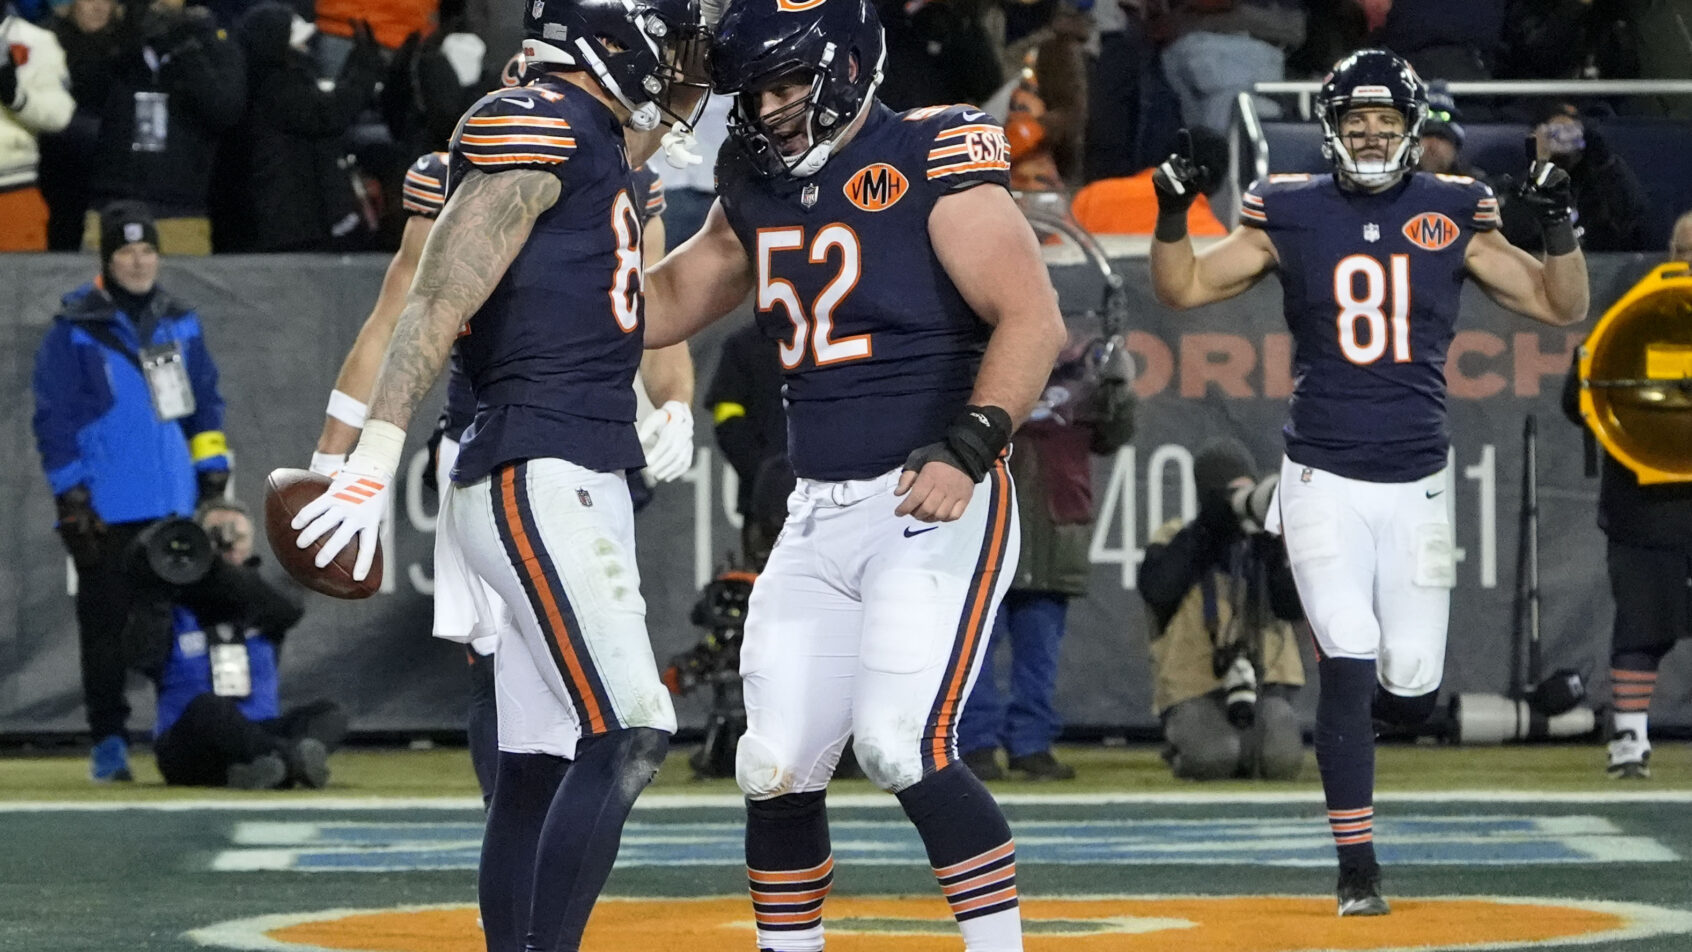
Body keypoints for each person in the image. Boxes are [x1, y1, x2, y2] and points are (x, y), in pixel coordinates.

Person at [640, 0, 1068, 947]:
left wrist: (970, 445)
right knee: (772, 763)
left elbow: (1033, 317)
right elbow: (661, 305)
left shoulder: (928, 153)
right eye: (755, 92)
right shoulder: (751, 182)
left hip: (929, 497)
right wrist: (580, 224)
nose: (771, 109)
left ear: (847, 67)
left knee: (898, 743)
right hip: (816, 511)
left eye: (789, 84)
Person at [285, 0, 710, 947]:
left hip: (568, 464)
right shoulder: (538, 120)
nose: (671, 60)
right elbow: (434, 299)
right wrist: (370, 454)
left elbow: (657, 123)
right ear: (607, 43)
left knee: (536, 763)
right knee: (632, 729)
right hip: (535, 467)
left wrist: (700, 83)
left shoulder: (600, 138)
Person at [1148, 49, 1588, 916]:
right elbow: (1184, 287)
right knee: (1347, 656)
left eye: (1388, 121)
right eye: (1358, 120)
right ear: (1332, 129)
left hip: (1417, 480)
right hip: (1322, 476)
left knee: (1412, 687)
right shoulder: (1289, 204)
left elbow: (1560, 305)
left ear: (1414, 128)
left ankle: (1377, 733)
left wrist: (1562, 226)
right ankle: (1357, 868)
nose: (1374, 134)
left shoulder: (1456, 206)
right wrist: (1170, 213)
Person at [31, 200, 231, 782]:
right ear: (107, 259)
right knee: (106, 635)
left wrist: (212, 474)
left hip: (175, 504)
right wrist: (72, 496)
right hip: (107, 508)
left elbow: (205, 402)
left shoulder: (179, 321)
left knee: (182, 631)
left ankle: (186, 738)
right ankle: (110, 744)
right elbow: (54, 418)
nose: (140, 262)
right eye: (126, 251)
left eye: (148, 251)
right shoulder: (74, 328)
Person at [959, 332, 1135, 782]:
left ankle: (1030, 746)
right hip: (990, 529)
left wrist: (1119, 389)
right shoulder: (983, 368)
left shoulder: (1085, 377)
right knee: (976, 652)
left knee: (1037, 657)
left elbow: (1113, 435)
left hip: (1051, 534)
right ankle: (977, 745)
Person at [1559, 207, 1692, 780]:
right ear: (1669, 254)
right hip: (1646, 508)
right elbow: (1578, 399)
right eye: (1683, 250)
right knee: (1641, 624)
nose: (1690, 262)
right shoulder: (1629, 316)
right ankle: (1630, 739)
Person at [1137, 438, 1305, 781]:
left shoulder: (1264, 544)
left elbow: (1292, 608)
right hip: (1194, 687)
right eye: (1231, 494)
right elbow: (1158, 590)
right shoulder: (1176, 537)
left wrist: (1276, 553)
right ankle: (1184, 748)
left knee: (1281, 762)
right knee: (1213, 759)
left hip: (1266, 684)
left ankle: (1243, 745)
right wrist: (1208, 530)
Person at [152, 499, 349, 789]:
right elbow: (139, 653)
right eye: (216, 533)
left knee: (330, 713)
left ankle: (259, 769)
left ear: (251, 545)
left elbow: (289, 610)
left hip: (258, 729)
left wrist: (223, 572)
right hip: (191, 741)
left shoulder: (263, 602)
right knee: (210, 708)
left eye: (238, 536)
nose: (227, 542)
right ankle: (292, 762)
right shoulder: (169, 604)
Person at [83, 0, 245, 255]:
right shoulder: (115, 43)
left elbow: (225, 111)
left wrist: (185, 50)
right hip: (110, 207)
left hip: (181, 212)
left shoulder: (212, 46)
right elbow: (84, 97)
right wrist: (126, 39)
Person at [223, 5, 382, 252]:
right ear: (274, 44)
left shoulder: (268, 81)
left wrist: (357, 64)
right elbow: (330, 113)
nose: (305, 47)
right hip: (287, 223)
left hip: (290, 219)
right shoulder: (276, 87)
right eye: (295, 41)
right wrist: (363, 67)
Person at [1499, 102, 1647, 254]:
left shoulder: (1603, 180)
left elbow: (1631, 222)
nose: (1564, 139)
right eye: (1554, 133)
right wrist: (1541, 166)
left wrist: (1604, 161)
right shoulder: (1522, 187)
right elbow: (1521, 235)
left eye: (1571, 132)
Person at [0, 0, 75, 250]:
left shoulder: (36, 41)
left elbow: (60, 114)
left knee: (16, 276)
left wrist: (17, 98)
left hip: (12, 190)